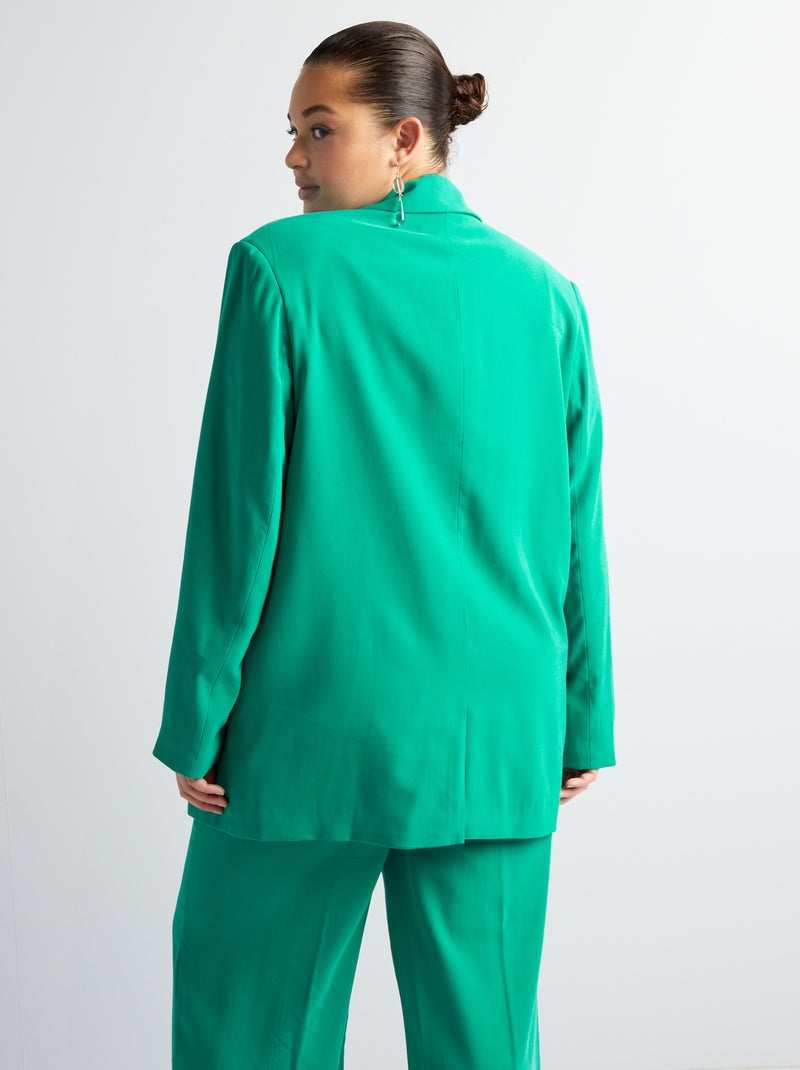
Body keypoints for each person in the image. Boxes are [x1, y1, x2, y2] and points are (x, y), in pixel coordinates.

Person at [152, 19, 615, 1070]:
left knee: (247, 1035)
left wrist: (198, 717)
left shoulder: (280, 267)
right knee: (486, 1045)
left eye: (320, 130)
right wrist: (581, 714)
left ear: (406, 138)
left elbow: (237, 520)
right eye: (291, 130)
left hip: (305, 732)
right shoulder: (547, 294)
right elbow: (575, 522)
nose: (294, 157)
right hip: (499, 733)